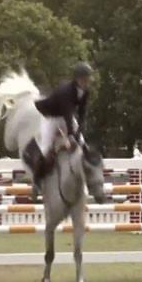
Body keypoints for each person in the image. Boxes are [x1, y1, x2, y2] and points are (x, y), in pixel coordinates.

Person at [23, 62, 93, 190]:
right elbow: (68, 113)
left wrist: (78, 133)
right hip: (50, 117)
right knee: (45, 149)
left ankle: (90, 175)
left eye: (87, 79)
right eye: (84, 79)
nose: (86, 81)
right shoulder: (66, 91)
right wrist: (71, 135)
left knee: (82, 142)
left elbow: (82, 113)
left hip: (65, 116)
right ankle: (37, 181)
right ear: (77, 79)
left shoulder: (85, 91)